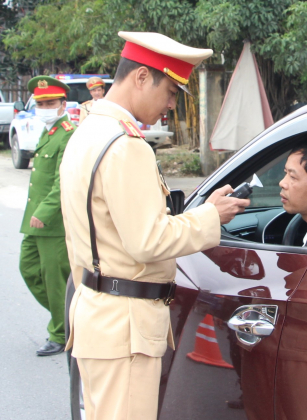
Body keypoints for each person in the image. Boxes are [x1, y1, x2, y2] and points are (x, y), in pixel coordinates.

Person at [60, 31, 249, 420]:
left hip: (97, 313)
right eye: (171, 91)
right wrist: (210, 215)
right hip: (124, 325)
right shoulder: (125, 145)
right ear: (142, 77)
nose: (171, 104)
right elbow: (148, 240)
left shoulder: (88, 131)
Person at [19, 75, 76, 356]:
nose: (44, 108)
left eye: (50, 103)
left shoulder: (68, 134)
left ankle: (61, 333)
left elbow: (63, 180)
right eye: (40, 104)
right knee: (28, 268)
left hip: (52, 222)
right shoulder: (49, 132)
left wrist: (44, 211)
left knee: (55, 281)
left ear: (63, 104)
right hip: (35, 221)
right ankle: (70, 317)